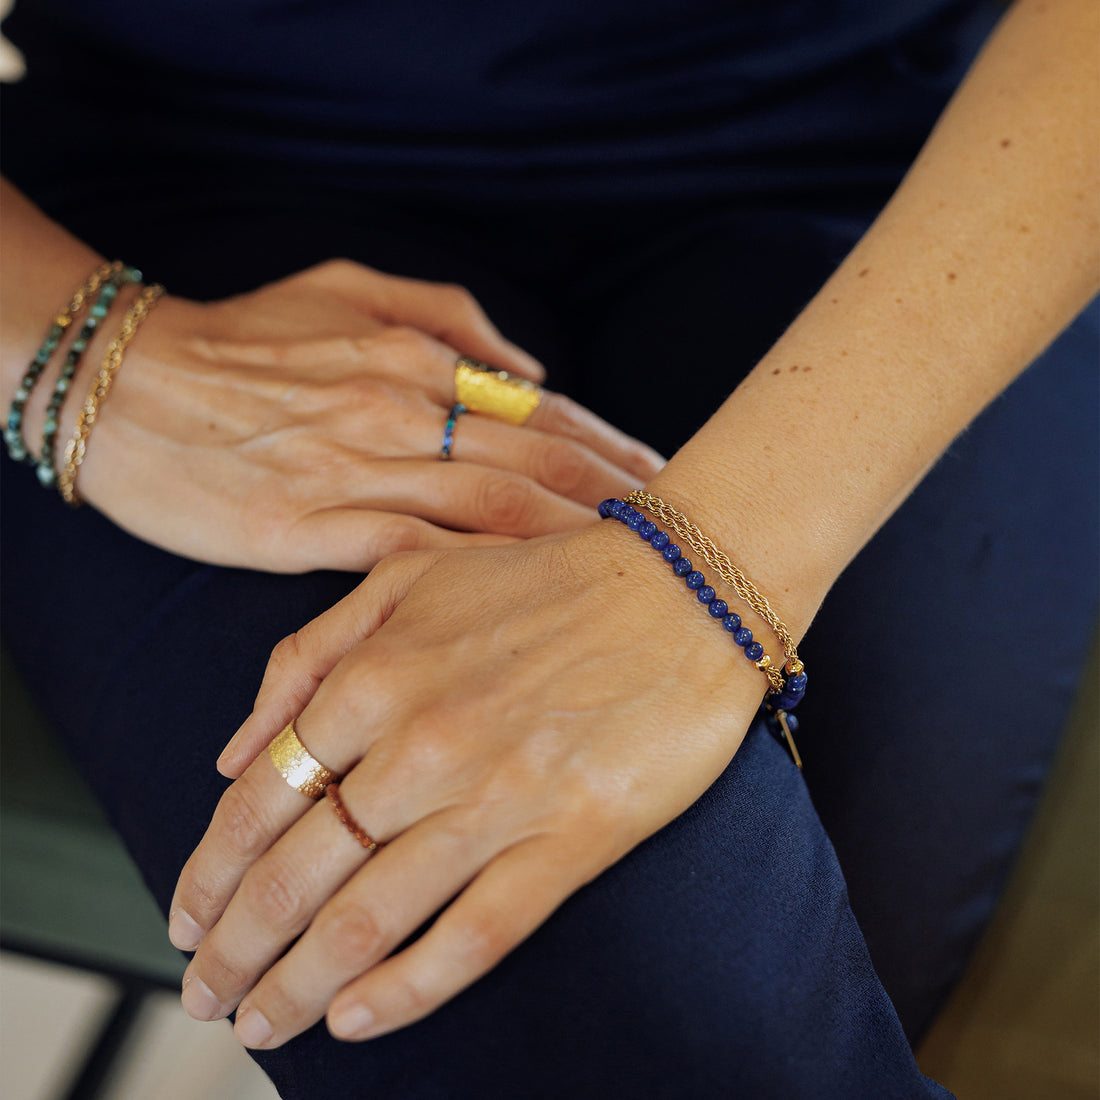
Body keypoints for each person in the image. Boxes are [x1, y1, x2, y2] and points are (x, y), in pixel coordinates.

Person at [1, 0, 1095, 1095]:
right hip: (182, 186)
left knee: (774, 943)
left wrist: (713, 568)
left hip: (928, 174)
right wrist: (90, 351)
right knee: (605, 993)